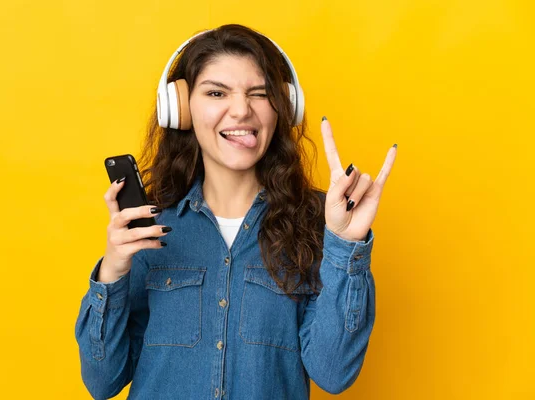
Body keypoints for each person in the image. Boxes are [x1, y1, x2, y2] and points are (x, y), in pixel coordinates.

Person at [75, 23, 397, 400]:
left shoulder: (319, 223)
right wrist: (112, 270)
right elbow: (102, 381)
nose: (242, 110)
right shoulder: (148, 228)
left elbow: (334, 373)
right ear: (179, 109)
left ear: (283, 109)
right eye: (216, 92)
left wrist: (346, 245)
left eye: (259, 94)